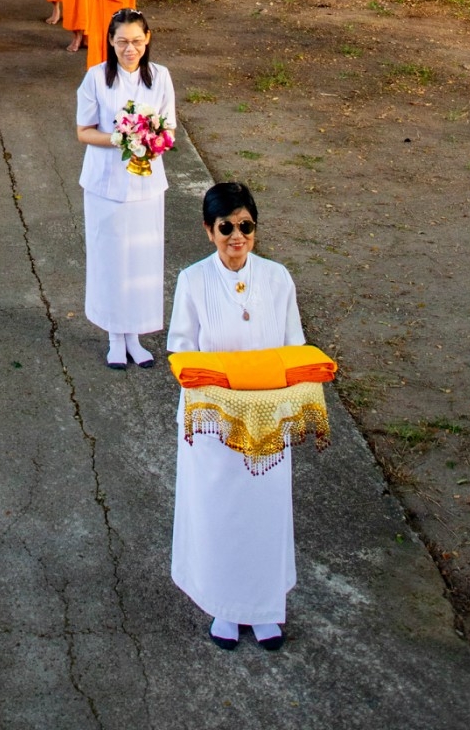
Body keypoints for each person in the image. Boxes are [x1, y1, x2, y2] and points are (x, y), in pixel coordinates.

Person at [168, 182, 305, 652]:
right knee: (221, 515)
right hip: (215, 423)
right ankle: (224, 606)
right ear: (209, 231)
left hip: (267, 420)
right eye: (226, 227)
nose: (237, 237)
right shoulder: (193, 281)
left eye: (246, 225)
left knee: (264, 515)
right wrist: (219, 395)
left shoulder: (278, 278)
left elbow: (294, 346)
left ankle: (266, 610)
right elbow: (181, 351)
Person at [75, 9, 175, 368]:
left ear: (147, 39)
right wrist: (121, 139)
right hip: (106, 182)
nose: (129, 49)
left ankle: (135, 333)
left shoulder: (160, 76)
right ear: (110, 42)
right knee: (110, 258)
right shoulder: (96, 78)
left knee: (141, 259)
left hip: (146, 183)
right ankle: (115, 336)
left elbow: (169, 128)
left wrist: (152, 140)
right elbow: (84, 131)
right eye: (121, 42)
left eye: (136, 41)